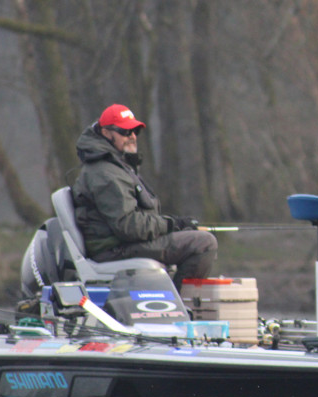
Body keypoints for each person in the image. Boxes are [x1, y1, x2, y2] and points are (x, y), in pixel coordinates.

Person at [71, 104, 218, 290]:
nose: (132, 136)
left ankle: (174, 301)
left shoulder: (116, 166)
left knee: (196, 238)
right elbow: (129, 226)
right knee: (204, 243)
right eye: (125, 131)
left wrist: (174, 225)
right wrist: (173, 224)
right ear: (106, 133)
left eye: (135, 130)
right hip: (114, 249)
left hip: (125, 243)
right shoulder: (105, 173)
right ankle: (181, 307)